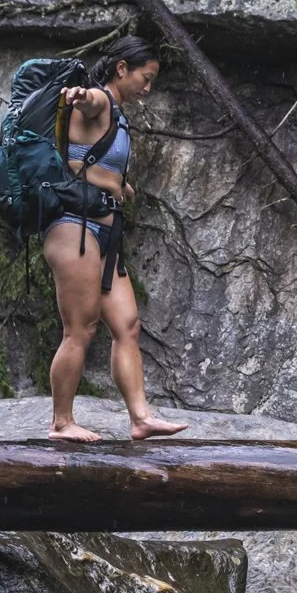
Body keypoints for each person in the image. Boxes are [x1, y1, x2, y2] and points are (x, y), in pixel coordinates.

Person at [44, 35, 187, 443]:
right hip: (75, 228)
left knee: (127, 325)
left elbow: (89, 160)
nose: (148, 87)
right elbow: (87, 101)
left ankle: (140, 417)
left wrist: (120, 186)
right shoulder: (102, 101)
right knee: (80, 329)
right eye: (146, 77)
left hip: (106, 232)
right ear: (122, 68)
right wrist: (78, 95)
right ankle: (61, 422)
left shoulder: (120, 116)